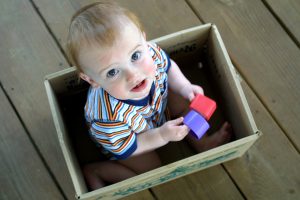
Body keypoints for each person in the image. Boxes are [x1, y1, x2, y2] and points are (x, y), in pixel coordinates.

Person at [66, 1, 232, 190]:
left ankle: (202, 142)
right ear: (92, 80)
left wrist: (185, 86)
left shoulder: (151, 53)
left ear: (144, 41)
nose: (133, 75)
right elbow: (130, 146)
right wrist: (161, 135)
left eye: (135, 56)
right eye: (112, 72)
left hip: (156, 108)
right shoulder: (106, 118)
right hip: (130, 139)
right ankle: (97, 171)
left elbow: (169, 68)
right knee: (151, 170)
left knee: (183, 100)